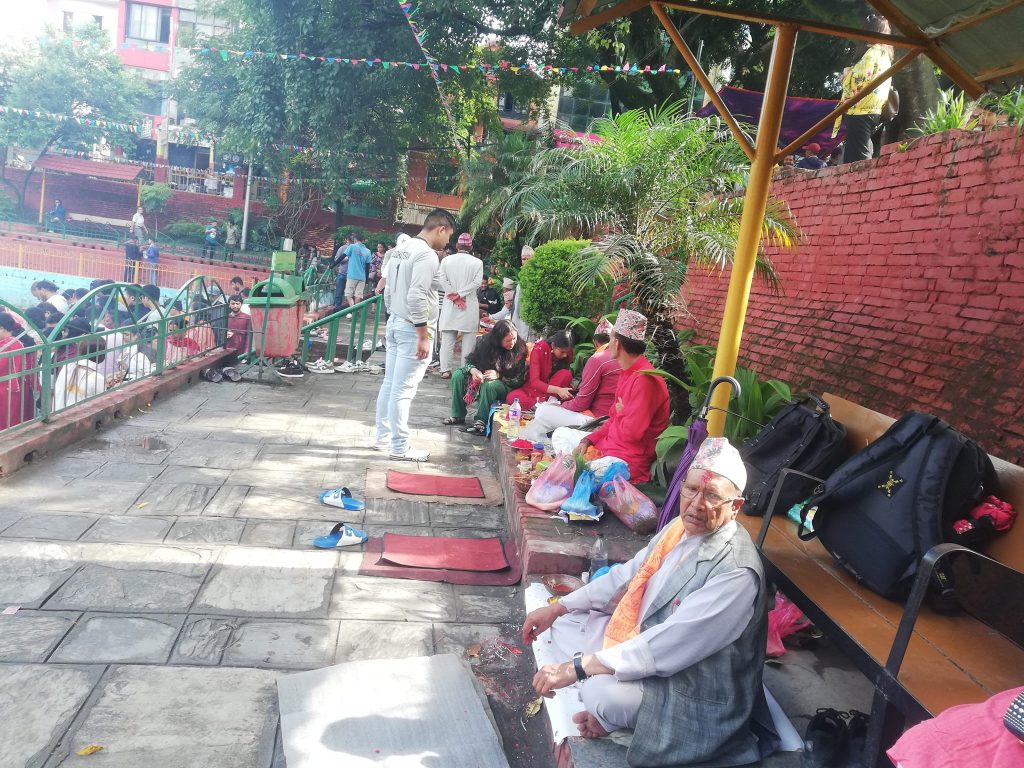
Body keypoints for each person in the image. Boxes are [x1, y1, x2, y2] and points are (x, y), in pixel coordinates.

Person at [522, 437, 776, 766]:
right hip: (647, 637)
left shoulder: (736, 573)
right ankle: (606, 692)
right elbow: (628, 573)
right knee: (568, 620)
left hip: (693, 684)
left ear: (736, 506)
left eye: (712, 496)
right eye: (691, 490)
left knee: (601, 694)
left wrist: (578, 668)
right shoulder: (681, 527)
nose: (697, 504)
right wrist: (558, 608)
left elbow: (669, 645)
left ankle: (610, 713)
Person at [374, 208, 455, 461]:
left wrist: (393, 315)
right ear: (441, 229)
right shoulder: (426, 255)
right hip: (412, 329)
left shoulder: (402, 248)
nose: (447, 242)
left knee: (390, 385)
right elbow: (416, 295)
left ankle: (383, 438)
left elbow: (390, 288)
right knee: (403, 391)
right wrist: (422, 335)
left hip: (397, 322)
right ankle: (399, 446)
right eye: (448, 236)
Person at [552, 309, 669, 484]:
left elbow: (632, 435)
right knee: (560, 434)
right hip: (606, 446)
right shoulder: (626, 372)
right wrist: (588, 440)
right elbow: (612, 420)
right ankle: (573, 470)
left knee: (585, 471)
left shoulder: (646, 379)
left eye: (610, 338)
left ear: (617, 343)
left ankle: (573, 471)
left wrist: (622, 413)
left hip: (624, 461)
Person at [522, 319, 621, 441]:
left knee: (542, 412)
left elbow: (581, 403)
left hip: (596, 420)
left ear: (595, 343)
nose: (565, 355)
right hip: (615, 421)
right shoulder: (629, 362)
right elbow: (535, 382)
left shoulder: (597, 359)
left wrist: (561, 406)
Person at [444, 319, 528, 434]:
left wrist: (499, 375)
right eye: (508, 340)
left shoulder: (520, 349)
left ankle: (481, 420)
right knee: (458, 374)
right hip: (484, 377)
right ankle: (457, 415)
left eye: (514, 338)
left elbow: (519, 379)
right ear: (498, 339)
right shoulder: (485, 342)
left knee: (489, 384)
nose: (512, 343)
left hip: (506, 385)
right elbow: (470, 361)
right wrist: (474, 370)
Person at [835, 15, 894, 163]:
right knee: (863, 148)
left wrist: (846, 74)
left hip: (860, 108)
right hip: (874, 108)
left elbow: (859, 80)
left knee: (856, 155)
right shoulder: (885, 54)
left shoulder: (872, 52)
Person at [438, 232, 484, 379]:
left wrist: (454, 295)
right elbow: (476, 283)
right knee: (469, 339)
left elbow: (442, 280)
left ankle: (445, 370)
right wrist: (461, 294)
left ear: (457, 245)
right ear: (471, 247)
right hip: (468, 304)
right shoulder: (477, 262)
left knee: (447, 339)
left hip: (450, 303)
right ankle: (465, 370)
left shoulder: (446, 260)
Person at [505, 329, 575, 410]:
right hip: (535, 390)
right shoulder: (540, 349)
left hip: (553, 393)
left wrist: (561, 390)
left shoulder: (568, 353)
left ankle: (544, 405)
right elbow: (534, 382)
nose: (565, 355)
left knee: (566, 374)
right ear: (553, 345)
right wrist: (558, 390)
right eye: (562, 352)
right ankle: (545, 405)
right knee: (512, 397)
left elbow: (564, 379)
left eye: (567, 352)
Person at [489, 246, 534, 340]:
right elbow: (510, 309)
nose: (526, 262)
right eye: (523, 259)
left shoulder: (534, 281)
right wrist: (491, 318)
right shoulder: (519, 285)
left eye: (528, 259)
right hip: (516, 327)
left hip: (528, 329)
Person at [0, 313, 26, 430]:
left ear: (2, 328)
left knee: (5, 421)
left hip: (5, 388)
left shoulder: (8, 345)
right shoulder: (14, 342)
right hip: (9, 387)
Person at [343, 234, 372, 307]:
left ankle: (353, 310)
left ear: (355, 239)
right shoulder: (368, 251)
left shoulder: (352, 247)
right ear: (363, 241)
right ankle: (355, 311)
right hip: (362, 277)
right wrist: (367, 280)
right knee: (358, 295)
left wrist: (333, 265)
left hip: (352, 276)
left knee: (349, 295)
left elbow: (342, 256)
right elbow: (367, 267)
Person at [332, 236, 352, 310]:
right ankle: (337, 309)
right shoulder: (342, 248)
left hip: (352, 275)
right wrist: (345, 259)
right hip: (342, 273)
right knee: (339, 292)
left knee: (350, 294)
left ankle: (351, 310)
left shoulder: (355, 249)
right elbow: (336, 259)